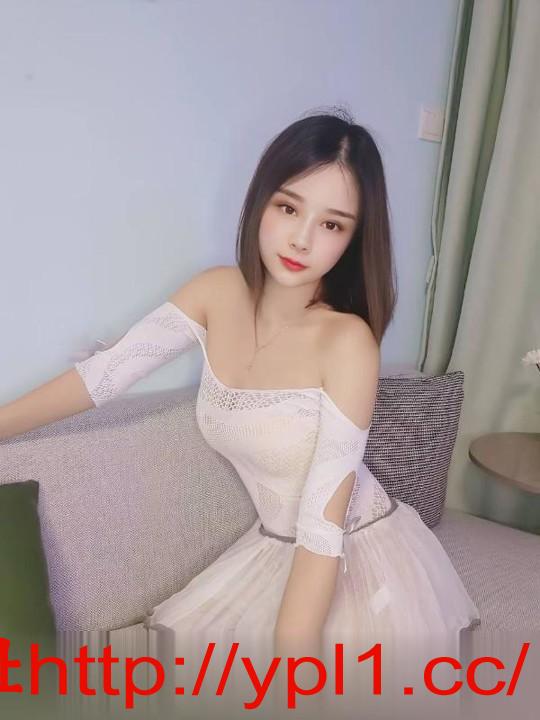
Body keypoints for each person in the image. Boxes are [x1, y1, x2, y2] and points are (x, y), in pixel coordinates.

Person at [1, 109, 480, 719]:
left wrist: (289, 675)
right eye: (288, 208)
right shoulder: (215, 292)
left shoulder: (347, 342)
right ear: (260, 201)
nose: (302, 240)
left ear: (354, 239)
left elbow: (321, 527)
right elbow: (102, 378)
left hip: (350, 553)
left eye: (331, 223)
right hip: (274, 546)